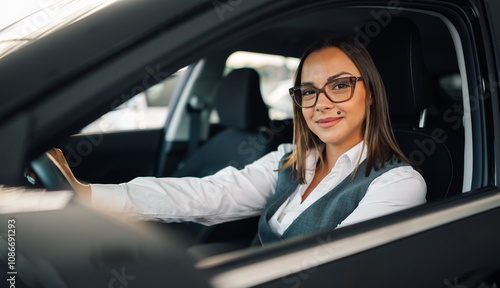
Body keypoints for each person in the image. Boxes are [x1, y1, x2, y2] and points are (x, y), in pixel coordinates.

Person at [48, 36, 426, 245]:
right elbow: (208, 194)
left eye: (340, 86)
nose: (321, 104)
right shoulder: (289, 160)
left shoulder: (397, 184)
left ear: (371, 93)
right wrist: (88, 196)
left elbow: (336, 271)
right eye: (308, 92)